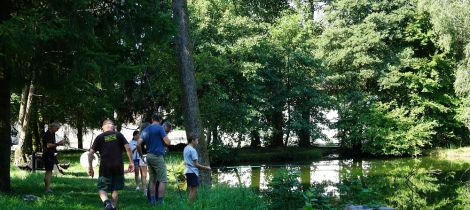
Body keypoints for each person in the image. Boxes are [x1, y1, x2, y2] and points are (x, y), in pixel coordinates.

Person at [88, 119, 134, 210]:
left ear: (103, 127)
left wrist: (90, 167)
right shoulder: (119, 135)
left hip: (105, 166)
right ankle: (113, 206)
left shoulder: (100, 137)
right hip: (118, 165)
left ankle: (107, 203)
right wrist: (131, 162)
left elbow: (90, 154)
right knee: (115, 188)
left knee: (102, 188)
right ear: (113, 126)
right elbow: (128, 148)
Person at [137, 114, 170, 205]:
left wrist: (140, 155)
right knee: (163, 179)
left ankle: (152, 200)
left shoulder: (146, 130)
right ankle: (160, 201)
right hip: (157, 156)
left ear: (152, 119)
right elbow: (167, 142)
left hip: (149, 156)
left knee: (152, 179)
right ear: (160, 120)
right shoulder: (160, 128)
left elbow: (138, 144)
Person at [183, 133, 211, 203]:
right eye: (197, 140)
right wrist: (206, 168)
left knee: (193, 189)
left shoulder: (186, 148)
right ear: (192, 140)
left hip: (188, 171)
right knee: (194, 189)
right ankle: (189, 204)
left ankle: (191, 203)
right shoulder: (193, 150)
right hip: (192, 171)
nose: (197, 142)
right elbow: (196, 164)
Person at [42, 122, 64, 193]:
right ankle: (47, 189)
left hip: (50, 154)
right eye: (57, 128)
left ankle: (47, 188)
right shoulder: (47, 134)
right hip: (47, 155)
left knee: (49, 172)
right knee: (48, 172)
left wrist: (58, 144)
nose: (57, 129)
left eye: (58, 128)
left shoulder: (52, 134)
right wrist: (58, 143)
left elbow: (52, 145)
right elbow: (48, 145)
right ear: (52, 127)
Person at [129, 130, 147, 195]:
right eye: (137, 135)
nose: (138, 136)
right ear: (134, 136)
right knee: (137, 172)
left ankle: (144, 187)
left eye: (139, 135)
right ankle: (137, 185)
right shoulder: (131, 142)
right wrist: (137, 147)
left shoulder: (141, 141)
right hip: (135, 159)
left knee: (143, 173)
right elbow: (131, 151)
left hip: (141, 158)